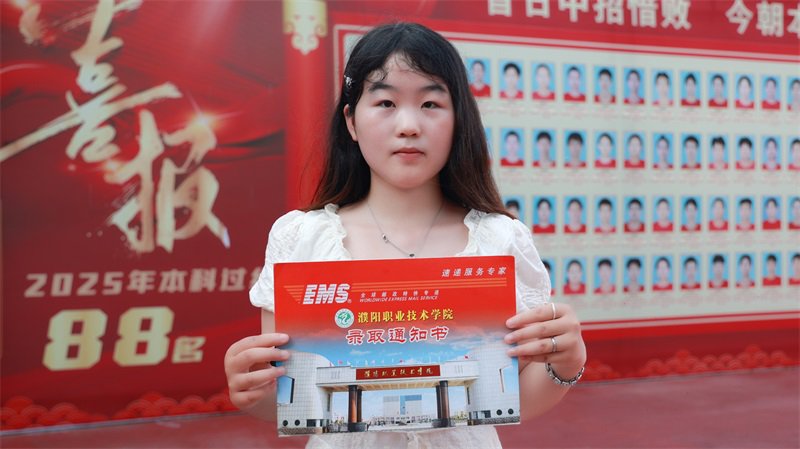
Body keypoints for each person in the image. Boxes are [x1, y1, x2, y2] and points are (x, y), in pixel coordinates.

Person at [223, 23, 586, 449]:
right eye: (386, 103)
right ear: (351, 121)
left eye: (431, 103)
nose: (409, 125)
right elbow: (295, 403)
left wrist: (567, 362)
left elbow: (510, 398)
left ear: (458, 120)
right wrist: (252, 391)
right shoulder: (303, 238)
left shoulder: (500, 241)